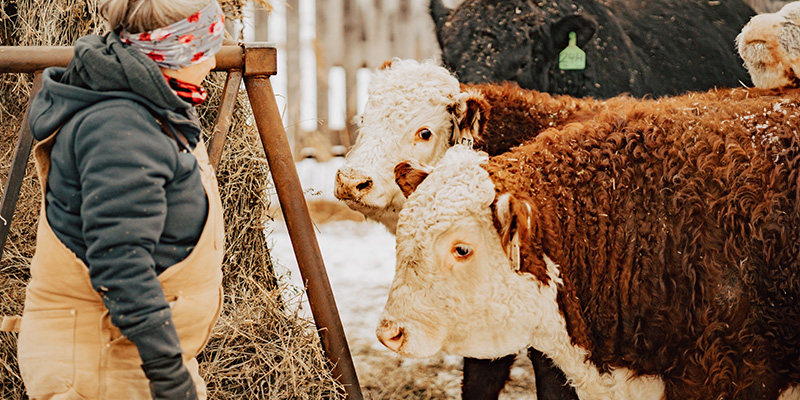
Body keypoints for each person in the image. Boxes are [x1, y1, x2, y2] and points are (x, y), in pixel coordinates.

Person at [18, 0, 226, 398]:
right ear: (177, 53)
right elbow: (121, 264)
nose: (214, 63)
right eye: (206, 49)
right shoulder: (119, 128)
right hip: (99, 368)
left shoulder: (149, 105)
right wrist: (171, 380)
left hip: (131, 355)